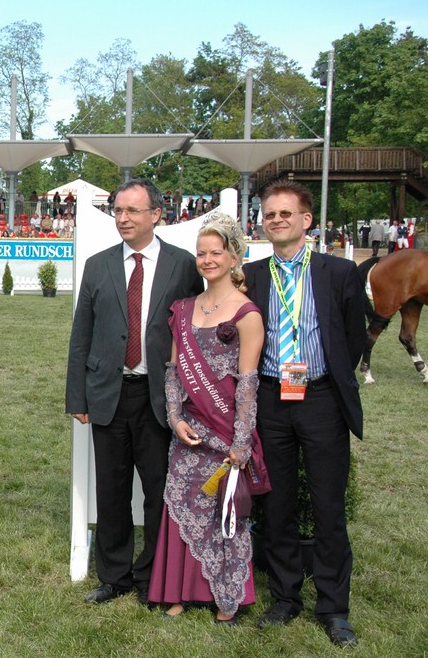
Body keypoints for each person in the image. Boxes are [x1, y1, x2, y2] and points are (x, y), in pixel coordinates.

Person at [66, 178, 204, 606]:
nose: (122, 219)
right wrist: (77, 398)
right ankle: (114, 576)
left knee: (158, 491)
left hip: (161, 400)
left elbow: (196, 332)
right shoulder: (97, 264)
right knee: (111, 490)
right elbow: (80, 336)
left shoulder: (183, 265)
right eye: (117, 211)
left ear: (156, 215)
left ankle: (153, 577)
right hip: (107, 394)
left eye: (131, 211)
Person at [243, 180, 363, 648]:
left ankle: (334, 608)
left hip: (320, 399)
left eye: (285, 214)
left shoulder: (338, 272)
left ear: (306, 220)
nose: (276, 220)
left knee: (329, 506)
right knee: (277, 504)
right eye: (269, 214)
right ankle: (286, 596)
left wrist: (325, 381)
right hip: (271, 399)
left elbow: (351, 337)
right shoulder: (251, 275)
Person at [148, 211, 266, 623]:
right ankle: (176, 591)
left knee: (222, 513)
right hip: (189, 430)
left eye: (216, 252)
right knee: (181, 505)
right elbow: (173, 370)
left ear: (235, 257)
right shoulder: (183, 308)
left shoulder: (248, 313)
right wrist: (175, 417)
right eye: (201, 253)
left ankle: (224, 597)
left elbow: (249, 384)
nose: (207, 260)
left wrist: (240, 444)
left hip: (226, 432)